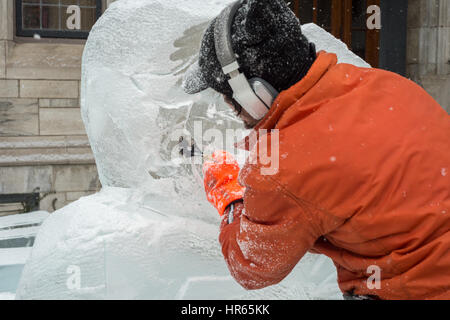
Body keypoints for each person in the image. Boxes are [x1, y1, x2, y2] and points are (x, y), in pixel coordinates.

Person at [182, 0, 450, 300]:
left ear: (253, 92)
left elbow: (251, 266)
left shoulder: (286, 169)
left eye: (230, 99)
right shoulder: (389, 85)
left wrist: (232, 197)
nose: (233, 110)